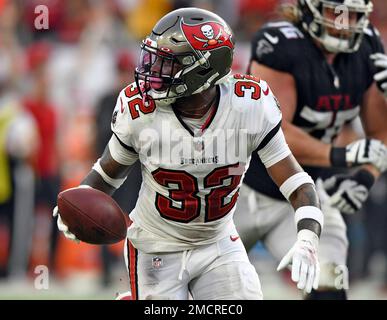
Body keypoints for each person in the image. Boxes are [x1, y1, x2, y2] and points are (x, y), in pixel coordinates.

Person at [53, 7, 324, 300]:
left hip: (217, 243)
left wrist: (307, 237)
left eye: (167, 64)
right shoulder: (140, 111)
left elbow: (297, 183)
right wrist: (80, 201)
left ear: (205, 70)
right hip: (156, 245)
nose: (153, 71)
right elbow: (108, 173)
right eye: (154, 59)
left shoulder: (250, 106)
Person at [234, 0, 387, 300]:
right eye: (335, 11)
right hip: (237, 191)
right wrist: (341, 156)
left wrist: (365, 177)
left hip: (306, 196)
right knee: (196, 289)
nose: (344, 23)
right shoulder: (279, 43)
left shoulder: (368, 45)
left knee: (329, 288)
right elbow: (272, 132)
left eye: (353, 14)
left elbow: (379, 132)